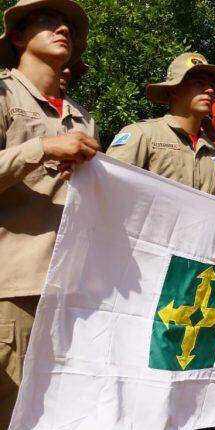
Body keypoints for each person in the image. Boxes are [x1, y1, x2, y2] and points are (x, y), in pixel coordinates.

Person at [0, 0, 99, 425]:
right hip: (13, 288)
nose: (62, 28)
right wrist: (41, 148)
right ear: (18, 37)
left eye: (67, 26)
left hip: (70, 290)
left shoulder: (81, 117)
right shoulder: (3, 94)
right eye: (47, 20)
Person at [106, 52, 215, 197]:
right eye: (199, 83)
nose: (210, 90)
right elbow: (109, 189)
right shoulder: (142, 134)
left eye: (212, 85)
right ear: (174, 89)